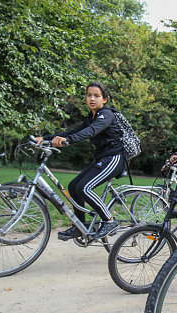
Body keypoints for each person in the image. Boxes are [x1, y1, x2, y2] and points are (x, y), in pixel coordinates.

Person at [36, 82, 126, 240]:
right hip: (102, 158)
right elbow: (73, 131)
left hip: (114, 158)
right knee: (73, 186)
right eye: (89, 95)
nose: (92, 98)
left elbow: (90, 132)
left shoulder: (106, 115)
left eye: (96, 96)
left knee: (84, 188)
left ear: (104, 99)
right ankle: (79, 226)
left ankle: (110, 220)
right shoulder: (92, 117)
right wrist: (44, 138)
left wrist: (68, 141)